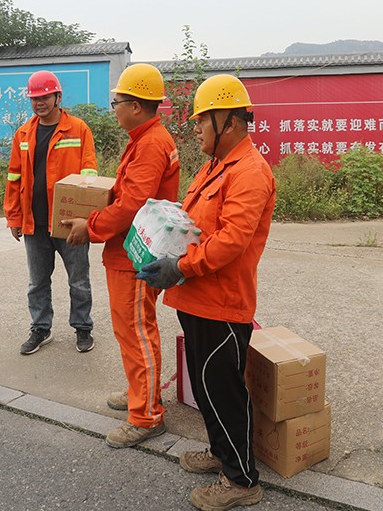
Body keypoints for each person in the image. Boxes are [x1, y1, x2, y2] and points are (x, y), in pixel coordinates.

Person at [137, 74, 275, 510]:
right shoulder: (215, 165)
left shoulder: (249, 171)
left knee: (223, 390)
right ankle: (221, 452)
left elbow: (231, 240)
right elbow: (194, 224)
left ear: (227, 121)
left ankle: (241, 480)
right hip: (197, 297)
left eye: (201, 120)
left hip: (222, 303)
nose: (195, 128)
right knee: (205, 385)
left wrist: (179, 266)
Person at [64, 63, 180, 448]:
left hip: (136, 257)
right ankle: (140, 393)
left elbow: (133, 205)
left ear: (136, 106)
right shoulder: (144, 138)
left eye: (117, 103)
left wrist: (90, 226)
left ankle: (146, 416)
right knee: (131, 331)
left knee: (136, 332)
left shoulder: (150, 143)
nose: (113, 109)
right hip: (128, 252)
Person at [5, 70, 98, 355]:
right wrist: (14, 217)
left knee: (79, 281)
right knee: (37, 283)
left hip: (69, 223)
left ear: (58, 97)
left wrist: (86, 218)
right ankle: (40, 328)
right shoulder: (23, 133)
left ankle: (82, 327)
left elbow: (89, 173)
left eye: (45, 97)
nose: (40, 103)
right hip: (34, 222)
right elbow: (14, 178)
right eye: (34, 98)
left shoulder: (78, 129)